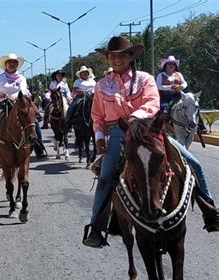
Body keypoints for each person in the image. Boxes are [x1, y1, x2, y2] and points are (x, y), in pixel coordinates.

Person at [83, 36, 218, 248]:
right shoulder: (101, 86)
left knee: (194, 163)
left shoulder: (144, 79)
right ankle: (96, 228)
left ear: (130, 57)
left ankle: (210, 211)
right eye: (112, 56)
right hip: (118, 133)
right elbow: (98, 116)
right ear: (108, 58)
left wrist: (136, 120)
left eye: (121, 55)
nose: (117, 59)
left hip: (148, 130)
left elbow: (152, 103)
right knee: (106, 177)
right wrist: (100, 137)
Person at [0, 53, 47, 162]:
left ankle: (39, 147)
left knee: (33, 122)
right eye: (9, 62)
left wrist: (16, 97)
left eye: (14, 63)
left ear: (17, 65)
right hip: (2, 103)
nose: (12, 64)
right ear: (5, 65)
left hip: (19, 103)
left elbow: (24, 91)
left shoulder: (21, 78)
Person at [156, 55, 207, 133]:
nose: (171, 65)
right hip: (166, 97)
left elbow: (185, 83)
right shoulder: (161, 75)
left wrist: (180, 86)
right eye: (169, 64)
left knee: (193, 104)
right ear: (166, 65)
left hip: (179, 95)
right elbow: (158, 86)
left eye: (173, 64)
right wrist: (170, 87)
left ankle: (200, 126)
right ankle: (160, 128)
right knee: (163, 110)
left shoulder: (178, 74)